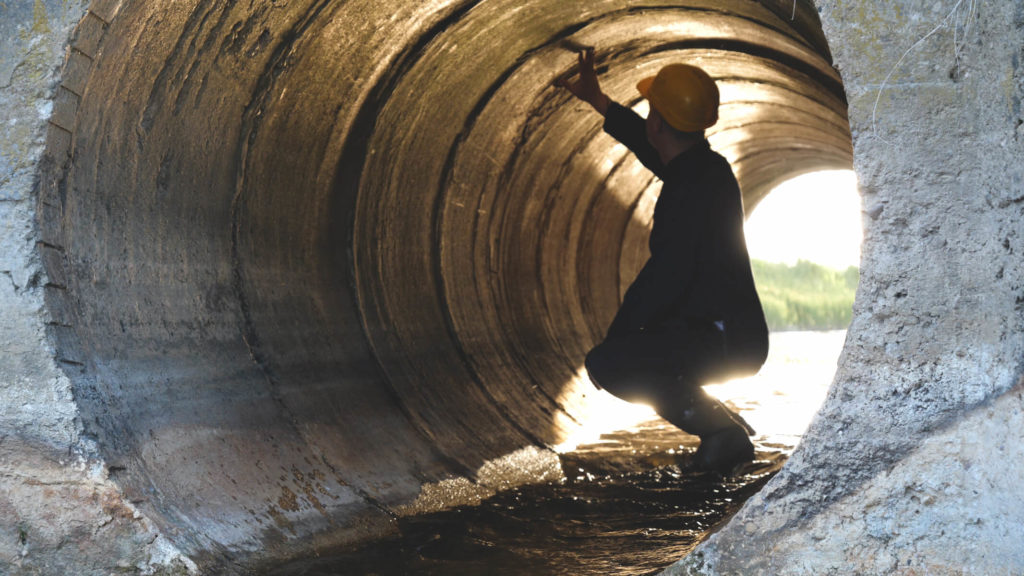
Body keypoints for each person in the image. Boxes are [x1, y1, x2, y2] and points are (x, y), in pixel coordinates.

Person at [557, 49, 769, 474]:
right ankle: (727, 428)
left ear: (657, 121)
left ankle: (721, 435)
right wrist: (599, 101)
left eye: (651, 112)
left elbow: (667, 275)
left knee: (611, 363)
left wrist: (617, 342)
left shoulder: (689, 187)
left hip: (721, 339)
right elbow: (654, 146)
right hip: (730, 335)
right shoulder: (703, 168)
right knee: (628, 354)